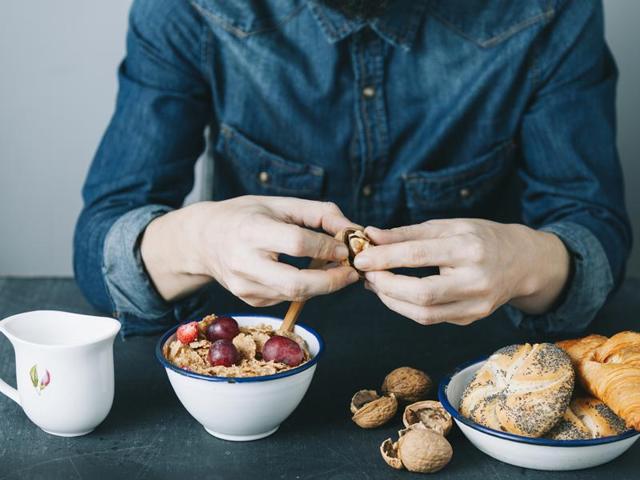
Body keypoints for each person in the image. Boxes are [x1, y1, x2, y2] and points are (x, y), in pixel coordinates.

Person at [74, 0, 631, 337]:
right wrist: (195, 240)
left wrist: (528, 262)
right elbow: (100, 245)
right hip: (245, 368)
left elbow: (591, 224)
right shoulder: (189, 10)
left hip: (478, 377)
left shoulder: (550, 10)